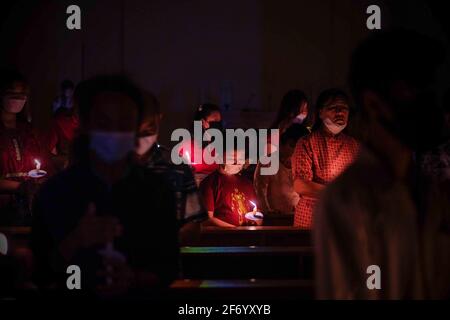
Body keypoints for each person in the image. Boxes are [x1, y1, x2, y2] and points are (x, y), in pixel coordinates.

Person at [314, 29, 449, 299]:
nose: (431, 106)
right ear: (374, 105)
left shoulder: (433, 191)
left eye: (433, 90)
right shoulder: (346, 200)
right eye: (416, 91)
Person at [32, 75, 179, 297]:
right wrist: (76, 240)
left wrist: (131, 278)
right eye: (104, 123)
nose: (114, 132)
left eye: (124, 123)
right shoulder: (55, 192)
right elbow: (41, 273)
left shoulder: (157, 190)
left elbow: (168, 270)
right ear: (85, 124)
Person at [131, 91, 207, 244]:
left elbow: (193, 227)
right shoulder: (108, 166)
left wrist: (163, 239)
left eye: (149, 130)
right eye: (135, 130)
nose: (141, 139)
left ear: (159, 120)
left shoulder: (176, 166)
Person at [292, 89, 360, 228]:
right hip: (313, 219)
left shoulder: (354, 145)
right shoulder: (306, 143)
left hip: (345, 220)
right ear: (320, 112)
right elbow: (301, 185)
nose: (340, 112)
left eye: (344, 108)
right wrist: (338, 193)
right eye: (333, 108)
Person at [0, 69, 50, 225]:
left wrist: (39, 183)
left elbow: (45, 166)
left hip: (29, 207)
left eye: (22, 95)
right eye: (11, 93)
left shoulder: (29, 131)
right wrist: (20, 187)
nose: (18, 99)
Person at [254, 124, 308, 214]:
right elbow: (260, 191)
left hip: (298, 215)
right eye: (291, 145)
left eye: (300, 148)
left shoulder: (303, 163)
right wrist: (268, 212)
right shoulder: (268, 162)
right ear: (282, 144)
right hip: (275, 218)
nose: (295, 150)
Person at [200, 146, 257, 227]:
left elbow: (256, 211)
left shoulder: (246, 183)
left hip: (248, 236)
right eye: (231, 159)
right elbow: (208, 218)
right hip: (224, 237)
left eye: (240, 159)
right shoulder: (209, 183)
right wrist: (235, 230)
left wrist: (256, 223)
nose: (236, 162)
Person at [178, 103, 223, 185]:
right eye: (215, 121)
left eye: (219, 121)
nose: (218, 125)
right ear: (203, 122)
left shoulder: (220, 145)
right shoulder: (187, 146)